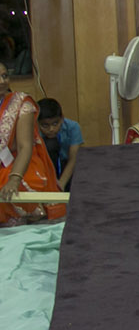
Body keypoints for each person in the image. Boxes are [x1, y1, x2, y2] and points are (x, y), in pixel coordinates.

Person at [0, 62, 66, 225]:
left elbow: (25, 147)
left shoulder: (22, 104)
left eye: (4, 76)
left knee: (16, 187)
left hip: (20, 164)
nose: (2, 81)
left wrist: (14, 179)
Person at [36, 98, 82, 189]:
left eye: (55, 123)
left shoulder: (73, 127)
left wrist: (61, 183)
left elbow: (73, 158)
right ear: (37, 122)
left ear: (62, 118)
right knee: (51, 144)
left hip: (67, 164)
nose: (51, 129)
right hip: (43, 164)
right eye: (45, 125)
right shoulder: (32, 130)